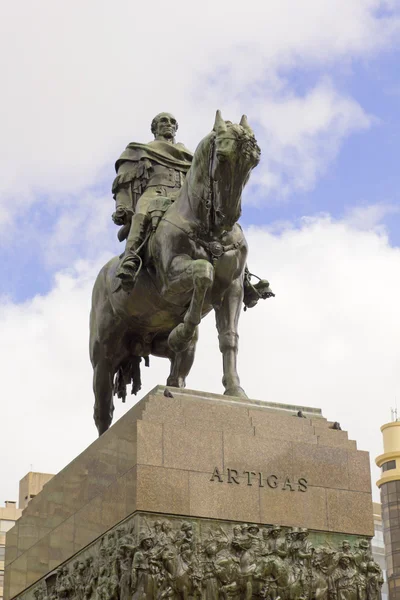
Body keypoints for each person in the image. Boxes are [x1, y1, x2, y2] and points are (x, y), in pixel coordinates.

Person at [112, 112, 193, 290]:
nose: (169, 124)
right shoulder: (139, 151)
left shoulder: (188, 156)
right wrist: (122, 207)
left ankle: (241, 274)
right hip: (154, 192)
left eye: (173, 122)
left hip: (183, 196)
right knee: (141, 215)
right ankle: (130, 260)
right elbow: (123, 183)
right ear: (154, 128)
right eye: (163, 121)